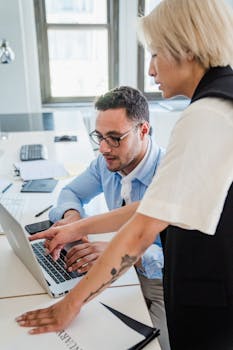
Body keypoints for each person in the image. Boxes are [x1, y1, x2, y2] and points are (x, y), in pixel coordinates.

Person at [16, 0, 233, 349]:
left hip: (208, 296)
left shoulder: (206, 115)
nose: (150, 70)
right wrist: (76, 226)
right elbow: (158, 208)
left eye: (155, 53)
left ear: (186, 48)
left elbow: (143, 230)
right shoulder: (225, 101)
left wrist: (71, 304)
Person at [46, 85, 169, 350]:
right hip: (121, 277)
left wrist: (119, 253)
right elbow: (70, 192)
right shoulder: (108, 160)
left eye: (114, 138)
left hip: (164, 285)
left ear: (143, 130)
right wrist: (72, 219)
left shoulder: (170, 175)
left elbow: (184, 258)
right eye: (99, 136)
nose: (103, 148)